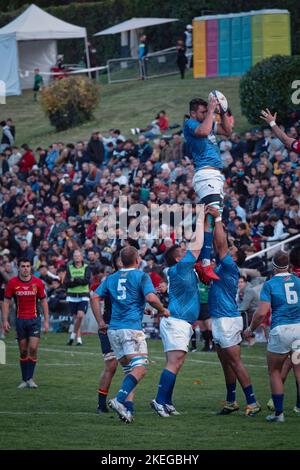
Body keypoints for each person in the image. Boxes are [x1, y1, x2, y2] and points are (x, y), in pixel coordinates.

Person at [92, 245, 169, 423]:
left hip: (114, 331)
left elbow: (94, 297)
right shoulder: (141, 276)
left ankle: (127, 409)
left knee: (130, 370)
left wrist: (101, 322)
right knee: (141, 368)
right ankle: (119, 400)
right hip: (131, 330)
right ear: (137, 260)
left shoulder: (111, 278)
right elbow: (151, 298)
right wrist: (162, 309)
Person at [207, 206, 261, 416]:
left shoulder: (229, 266)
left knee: (235, 362)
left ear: (235, 257)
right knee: (225, 362)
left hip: (227, 319)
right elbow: (217, 244)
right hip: (221, 318)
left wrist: (217, 217)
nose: (227, 251)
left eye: (231, 251)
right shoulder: (223, 265)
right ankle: (231, 400)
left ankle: (253, 402)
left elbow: (221, 244)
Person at [150, 205, 204, 417]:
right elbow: (197, 246)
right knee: (175, 362)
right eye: (182, 252)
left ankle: (167, 401)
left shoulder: (178, 270)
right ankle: (159, 401)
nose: (186, 252)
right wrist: (201, 220)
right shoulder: (181, 267)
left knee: (176, 363)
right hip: (177, 321)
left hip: (180, 321)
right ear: (178, 259)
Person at [244, 250, 300, 422]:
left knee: (274, 370)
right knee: (299, 369)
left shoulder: (269, 284)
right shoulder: (298, 280)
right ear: (288, 265)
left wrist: (250, 329)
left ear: (274, 267)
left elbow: (262, 313)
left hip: (281, 331)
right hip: (298, 329)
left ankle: (279, 414)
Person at [184, 96, 232, 280]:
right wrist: (211, 111)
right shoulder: (190, 123)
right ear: (193, 113)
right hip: (205, 174)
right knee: (212, 216)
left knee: (213, 217)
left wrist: (223, 111)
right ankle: (205, 262)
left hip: (214, 176)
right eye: (202, 112)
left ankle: (206, 261)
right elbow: (203, 132)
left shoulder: (208, 122)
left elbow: (227, 131)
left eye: (207, 111)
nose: (206, 114)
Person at [2, 258, 49, 388]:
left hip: (34, 320)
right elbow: (6, 302)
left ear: (30, 268)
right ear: (18, 267)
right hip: (20, 320)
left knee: (33, 348)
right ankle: (24, 379)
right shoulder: (12, 283)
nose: (25, 268)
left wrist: (46, 321)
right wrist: (5, 320)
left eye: (28, 266)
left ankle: (30, 379)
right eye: (23, 266)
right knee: (23, 351)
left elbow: (44, 302)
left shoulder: (38, 283)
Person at [90, 254, 122, 414]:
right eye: (120, 258)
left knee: (134, 366)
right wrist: (101, 322)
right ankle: (101, 404)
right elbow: (94, 298)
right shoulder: (110, 280)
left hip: (129, 327)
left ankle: (127, 405)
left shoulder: (137, 277)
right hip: (110, 327)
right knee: (111, 365)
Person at [65, 250, 91, 346]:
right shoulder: (69, 267)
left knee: (80, 316)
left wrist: (74, 280)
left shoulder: (86, 267)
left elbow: (86, 281)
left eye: (78, 256)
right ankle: (78, 339)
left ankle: (72, 335)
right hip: (72, 295)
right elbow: (67, 282)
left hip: (83, 294)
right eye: (75, 256)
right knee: (76, 319)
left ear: (81, 257)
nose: (76, 257)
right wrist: (77, 281)